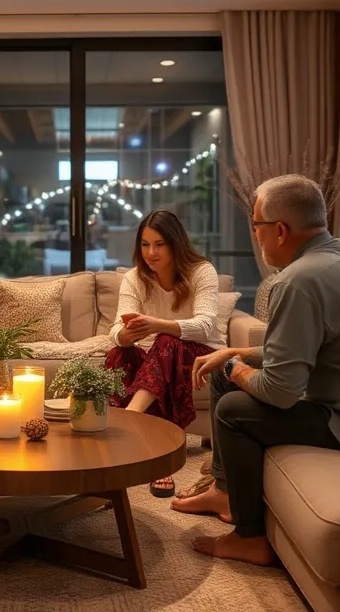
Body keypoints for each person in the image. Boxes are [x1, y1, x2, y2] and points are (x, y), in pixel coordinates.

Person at [175, 175, 340, 566]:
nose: (254, 234)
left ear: (280, 230)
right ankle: (225, 493)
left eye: (255, 225)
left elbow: (280, 391)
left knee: (232, 411)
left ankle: (249, 537)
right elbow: (312, 348)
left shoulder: (297, 281)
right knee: (226, 371)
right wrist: (235, 354)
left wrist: (237, 366)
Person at [105, 209, 224, 497]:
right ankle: (123, 437)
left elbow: (206, 325)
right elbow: (114, 330)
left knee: (166, 342)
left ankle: (130, 420)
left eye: (159, 244)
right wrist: (125, 334)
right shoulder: (135, 277)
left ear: (175, 244)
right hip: (157, 358)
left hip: (202, 354)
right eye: (145, 245)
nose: (151, 252)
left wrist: (158, 326)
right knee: (120, 353)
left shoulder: (202, 271)